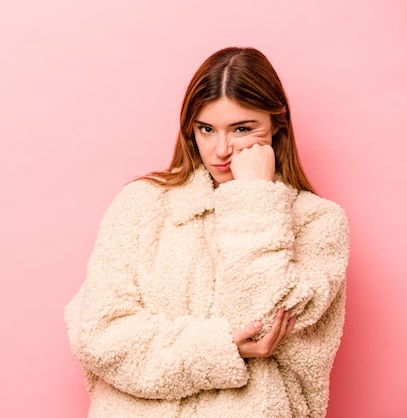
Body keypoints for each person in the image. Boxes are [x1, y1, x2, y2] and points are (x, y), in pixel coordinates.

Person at [64, 47, 349, 417]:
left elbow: (260, 318)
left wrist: (253, 196)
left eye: (243, 129)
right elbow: (101, 338)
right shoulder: (142, 204)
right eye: (206, 129)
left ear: (277, 124)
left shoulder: (319, 222)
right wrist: (222, 347)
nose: (221, 150)